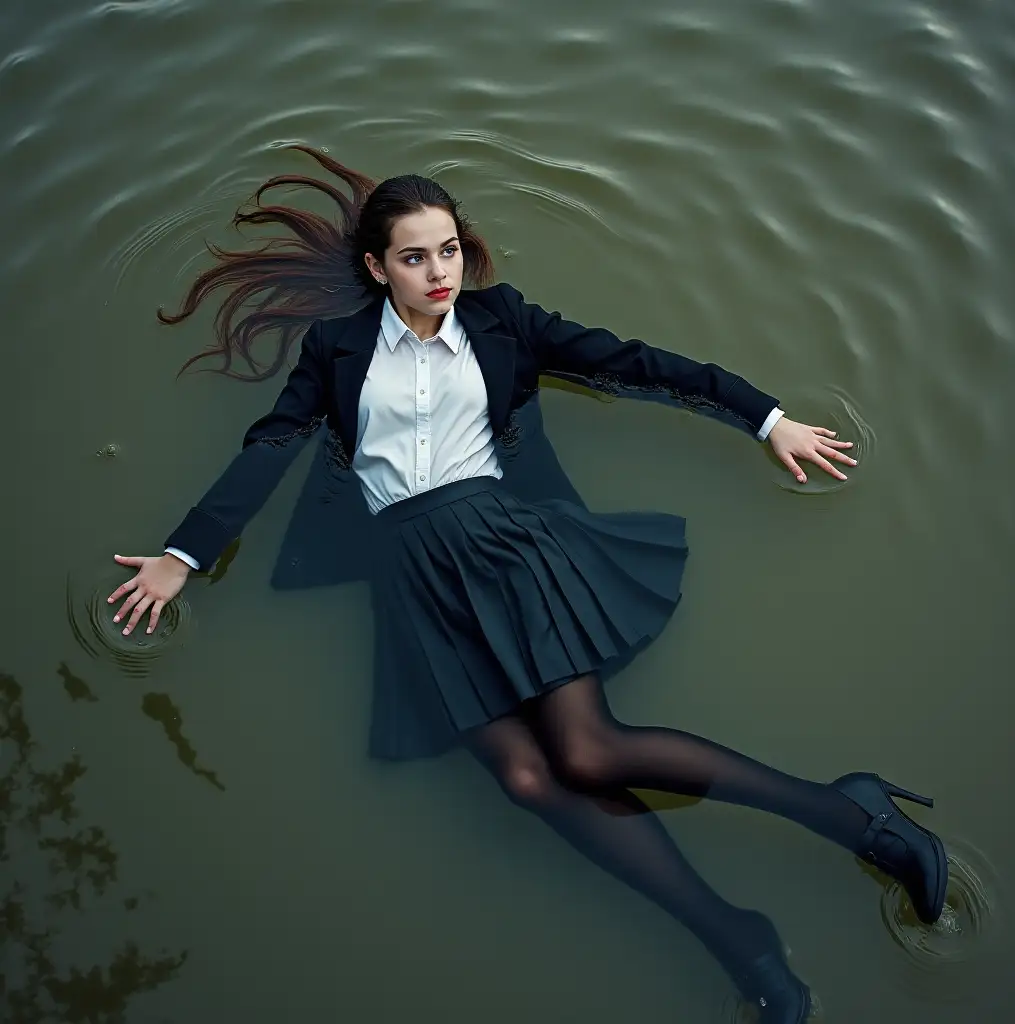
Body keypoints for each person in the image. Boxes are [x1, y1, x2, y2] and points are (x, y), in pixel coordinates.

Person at [106, 146, 947, 1023]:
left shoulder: (502, 320)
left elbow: (636, 363)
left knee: (586, 752)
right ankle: (740, 940)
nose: (440, 273)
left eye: (449, 251)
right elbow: (274, 443)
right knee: (526, 780)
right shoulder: (337, 349)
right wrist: (185, 555)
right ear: (376, 267)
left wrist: (765, 418)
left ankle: (853, 818)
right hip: (411, 575)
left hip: (504, 543)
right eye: (414, 257)